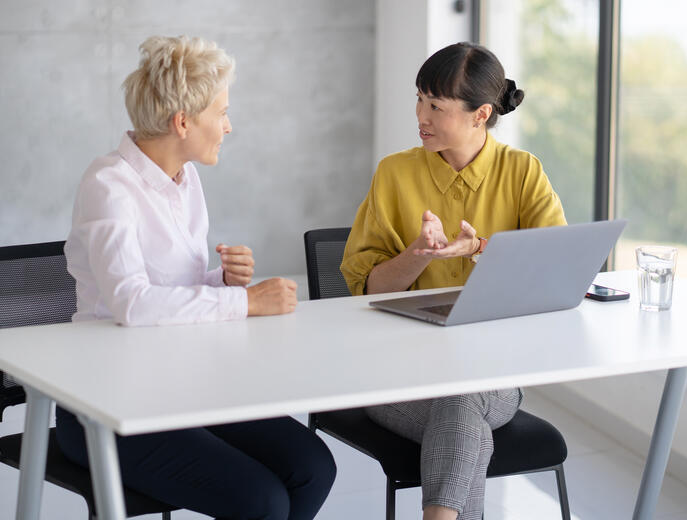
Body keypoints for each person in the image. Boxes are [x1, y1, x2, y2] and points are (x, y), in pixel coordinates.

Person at [58, 35, 335, 520]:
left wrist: (221, 280)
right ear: (182, 122)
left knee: (312, 467)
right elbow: (134, 304)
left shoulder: (185, 180)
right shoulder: (108, 187)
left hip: (184, 384)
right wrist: (244, 303)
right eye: (222, 112)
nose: (230, 126)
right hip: (105, 401)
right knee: (263, 501)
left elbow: (170, 289)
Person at [340, 42, 566, 520]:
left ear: (480, 114)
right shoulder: (394, 173)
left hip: (493, 375)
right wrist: (416, 256)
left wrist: (480, 249)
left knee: (461, 402)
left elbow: (556, 273)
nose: (421, 115)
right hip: (397, 375)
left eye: (436, 106)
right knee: (463, 418)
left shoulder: (523, 173)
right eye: (419, 99)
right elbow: (367, 288)